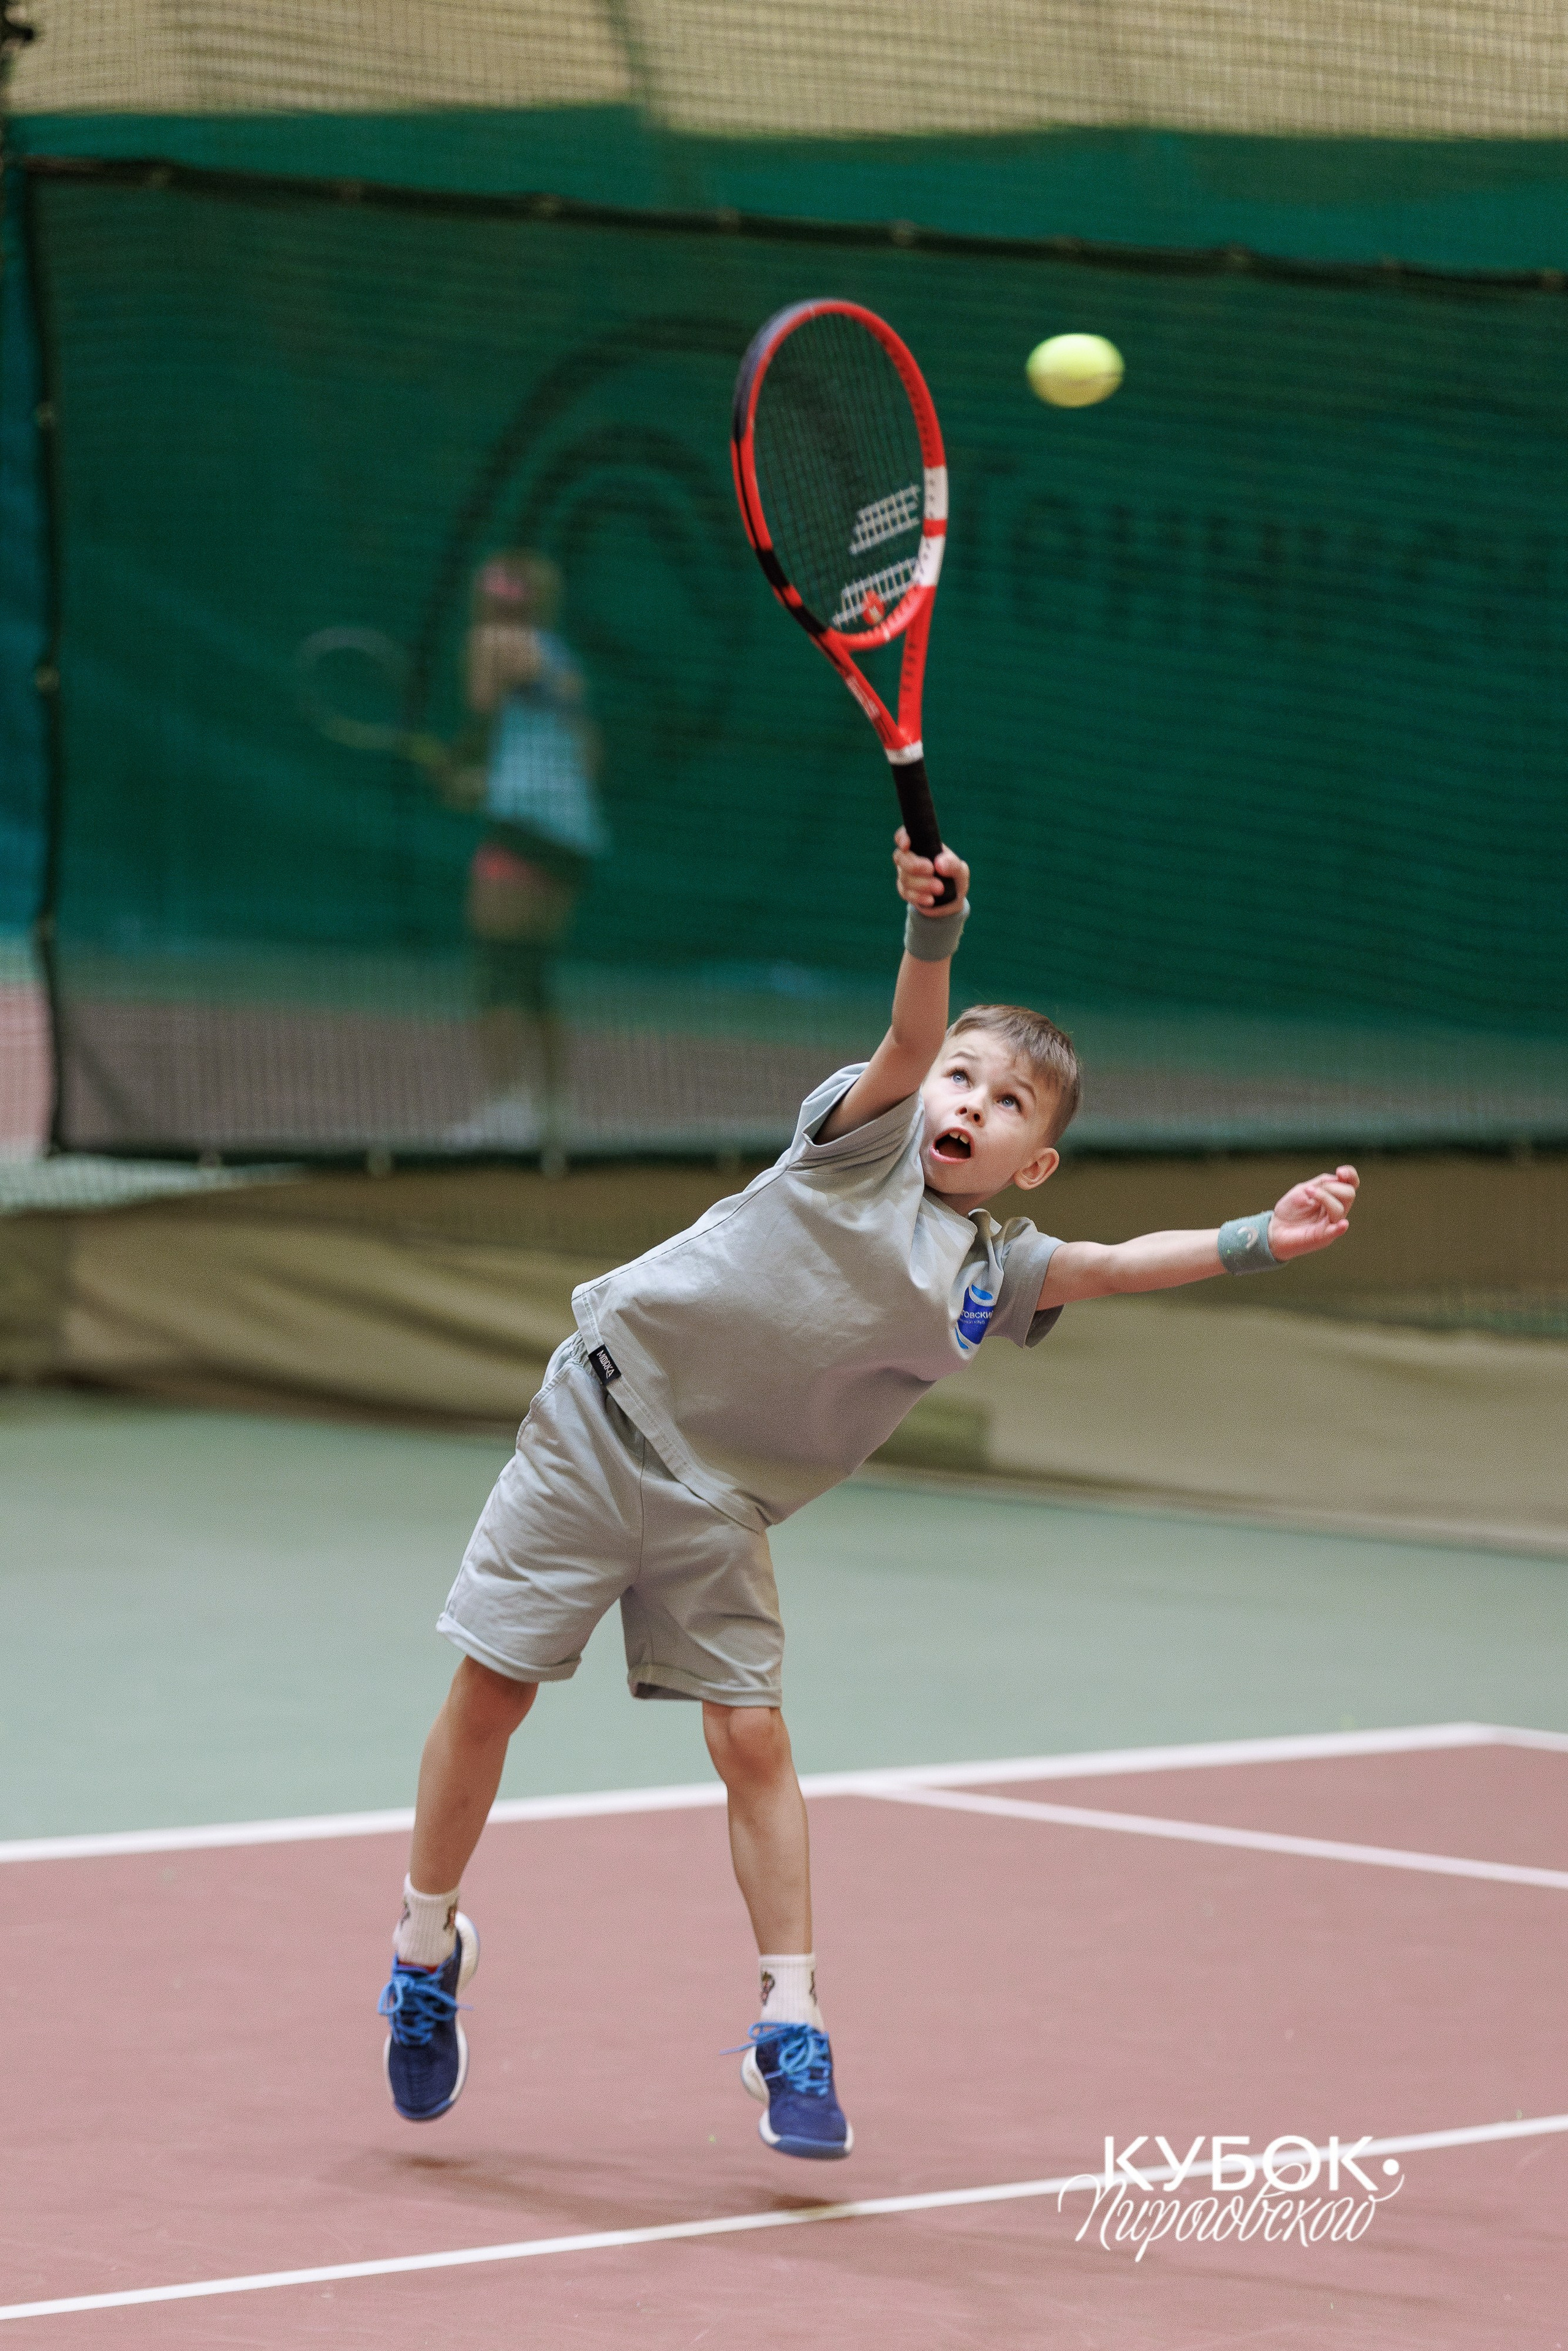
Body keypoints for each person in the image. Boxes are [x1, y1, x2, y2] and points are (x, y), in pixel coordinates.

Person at [377, 829, 1360, 2157]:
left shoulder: (989, 1274)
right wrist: (929, 934)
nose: (968, 1098)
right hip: (596, 1424)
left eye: (1007, 1102)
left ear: (1031, 1164)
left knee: (753, 1743)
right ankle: (426, 1944)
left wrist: (1256, 1237)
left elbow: (1122, 1263)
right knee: (490, 1694)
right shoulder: (859, 1141)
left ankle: (789, 2024)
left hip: (719, 1507)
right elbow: (903, 1040)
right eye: (964, 1073)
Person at [443, 551, 608, 1174]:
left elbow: (482, 703)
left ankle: (504, 1115)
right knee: (534, 974)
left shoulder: (492, 641)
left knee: (495, 970)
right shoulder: (564, 659)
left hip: (522, 829)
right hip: (574, 836)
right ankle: (553, 1113)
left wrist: (468, 771)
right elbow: (585, 753)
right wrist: (486, 780)